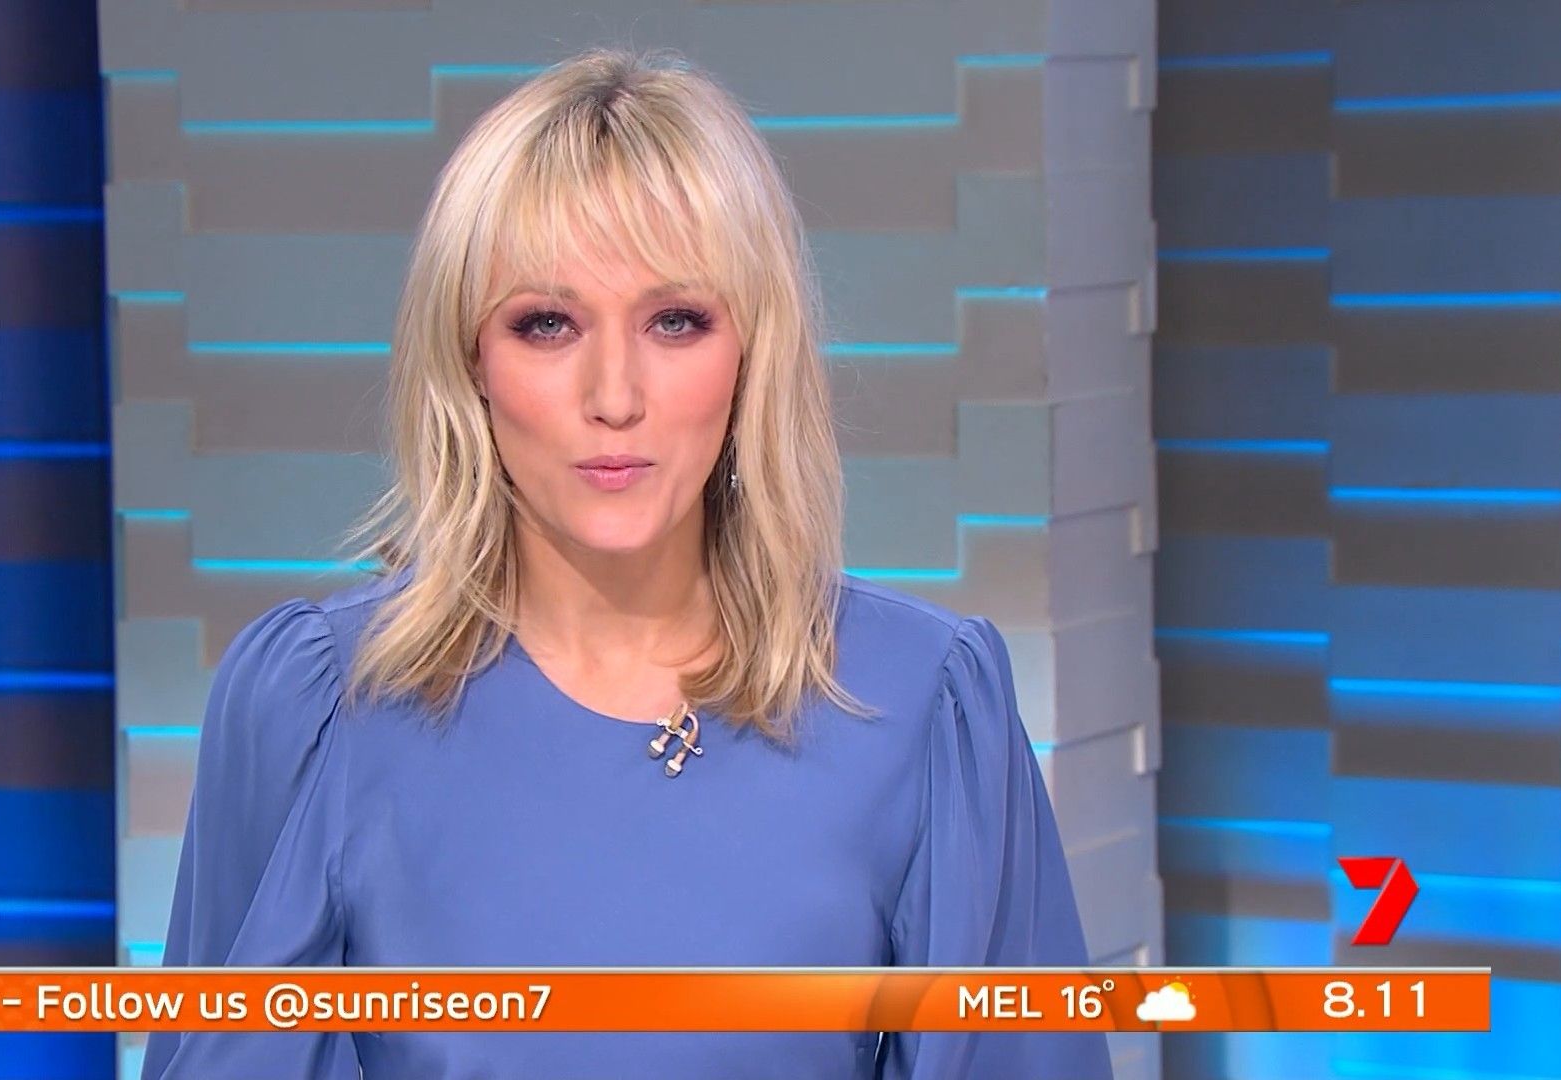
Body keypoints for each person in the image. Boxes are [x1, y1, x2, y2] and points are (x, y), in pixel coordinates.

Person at [139, 44, 1112, 1080]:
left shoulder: (923, 702)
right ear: (471, 360)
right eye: (547, 324)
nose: (615, 396)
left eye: (675, 321)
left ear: (752, 354)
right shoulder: (317, 708)